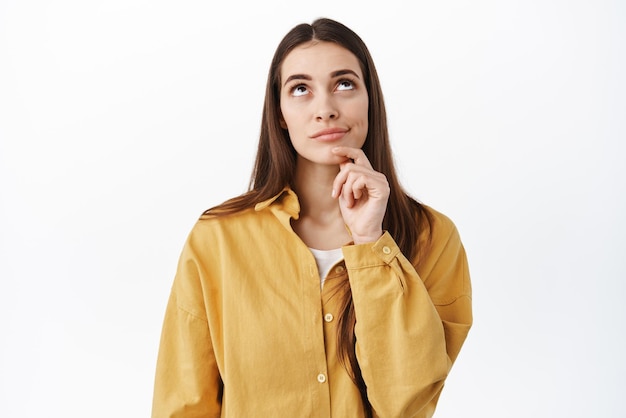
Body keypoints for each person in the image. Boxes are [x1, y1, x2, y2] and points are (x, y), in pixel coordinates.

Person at [151, 17, 472, 418]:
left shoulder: (432, 237)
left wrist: (371, 242)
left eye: (344, 84)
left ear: (370, 97)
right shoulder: (217, 238)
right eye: (301, 89)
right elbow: (183, 404)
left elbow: (406, 403)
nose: (325, 109)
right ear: (281, 113)